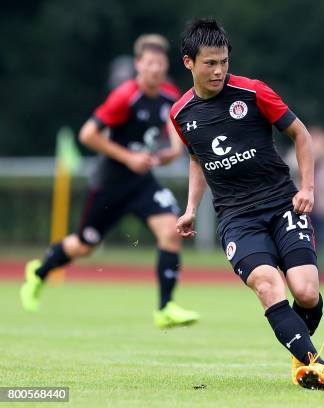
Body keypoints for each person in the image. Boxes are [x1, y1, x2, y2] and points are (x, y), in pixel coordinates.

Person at [172, 18, 324, 390]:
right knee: (268, 285)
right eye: (209, 63)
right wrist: (189, 207)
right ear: (189, 62)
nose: (218, 71)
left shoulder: (253, 93)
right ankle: (314, 364)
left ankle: (300, 354)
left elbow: (301, 134)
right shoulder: (181, 114)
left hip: (283, 204)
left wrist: (308, 188)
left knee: (306, 292)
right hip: (236, 219)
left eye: (224, 62)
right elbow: (197, 158)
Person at [20, 34, 200, 329]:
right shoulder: (124, 96)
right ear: (138, 65)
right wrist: (128, 157)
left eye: (160, 63)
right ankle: (39, 273)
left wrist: (174, 151)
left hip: (142, 182)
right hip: (110, 184)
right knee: (85, 245)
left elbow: (174, 123)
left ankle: (165, 308)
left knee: (171, 231)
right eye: (149, 63)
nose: (155, 69)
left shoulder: (169, 94)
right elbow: (88, 134)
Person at [286, 126, 324, 283]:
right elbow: (291, 167)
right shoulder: (298, 149)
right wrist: (313, 157)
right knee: (305, 241)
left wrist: (322, 157)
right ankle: (311, 275)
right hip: (304, 207)